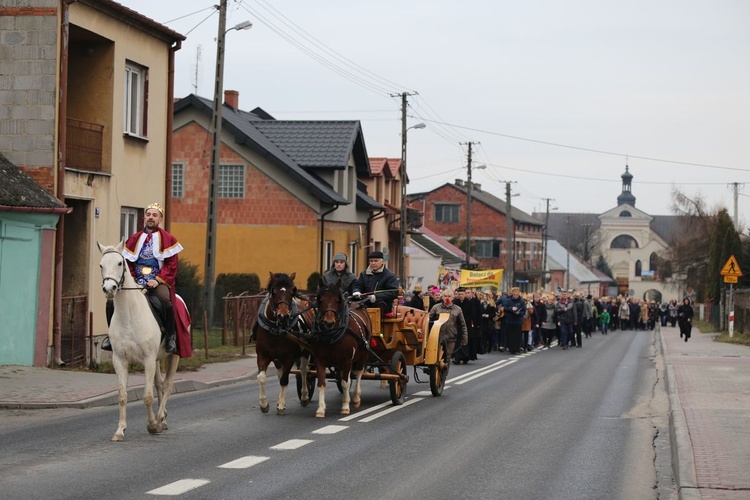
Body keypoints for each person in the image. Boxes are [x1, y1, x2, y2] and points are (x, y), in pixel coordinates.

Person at [101, 202, 183, 353]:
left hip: (157, 281)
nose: (151, 218)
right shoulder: (134, 239)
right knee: (111, 303)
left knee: (166, 301)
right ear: (144, 218)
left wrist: (157, 280)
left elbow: (171, 265)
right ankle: (111, 337)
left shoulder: (168, 239)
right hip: (135, 281)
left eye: (154, 215)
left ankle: (170, 338)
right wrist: (133, 279)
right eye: (148, 215)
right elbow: (127, 263)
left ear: (160, 219)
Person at [351, 251, 399, 315]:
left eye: (376, 261)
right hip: (365, 302)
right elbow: (358, 286)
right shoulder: (363, 274)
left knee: (379, 304)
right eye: (371, 261)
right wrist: (356, 291)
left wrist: (376, 296)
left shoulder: (389, 275)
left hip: (383, 305)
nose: (373, 263)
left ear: (382, 261)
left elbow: (393, 292)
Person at [428, 289, 468, 364]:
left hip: (451, 337)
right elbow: (428, 319)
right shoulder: (436, 307)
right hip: (438, 336)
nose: (447, 298)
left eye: (449, 296)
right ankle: (436, 373)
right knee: (437, 357)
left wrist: (464, 338)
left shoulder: (457, 309)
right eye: (445, 296)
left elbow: (463, 325)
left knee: (447, 357)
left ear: (453, 297)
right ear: (442, 297)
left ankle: (444, 374)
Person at [499, 287, 526, 354]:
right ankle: (511, 348)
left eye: (516, 295)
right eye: (514, 295)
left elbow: (524, 310)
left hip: (518, 320)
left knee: (517, 335)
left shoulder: (521, 301)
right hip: (510, 320)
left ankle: (517, 348)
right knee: (510, 335)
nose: (515, 296)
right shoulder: (509, 300)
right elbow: (505, 308)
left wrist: (520, 313)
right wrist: (511, 309)